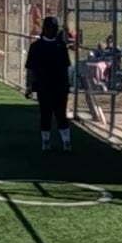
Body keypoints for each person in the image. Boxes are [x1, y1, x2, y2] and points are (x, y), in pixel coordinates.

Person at [25, 16, 72, 152]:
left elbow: (66, 67)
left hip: (60, 86)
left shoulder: (61, 46)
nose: (53, 31)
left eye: (54, 29)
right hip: (43, 86)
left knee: (61, 114)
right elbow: (30, 68)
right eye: (51, 28)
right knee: (45, 114)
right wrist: (29, 86)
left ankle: (66, 141)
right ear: (44, 29)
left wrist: (67, 84)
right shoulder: (36, 47)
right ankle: (45, 141)